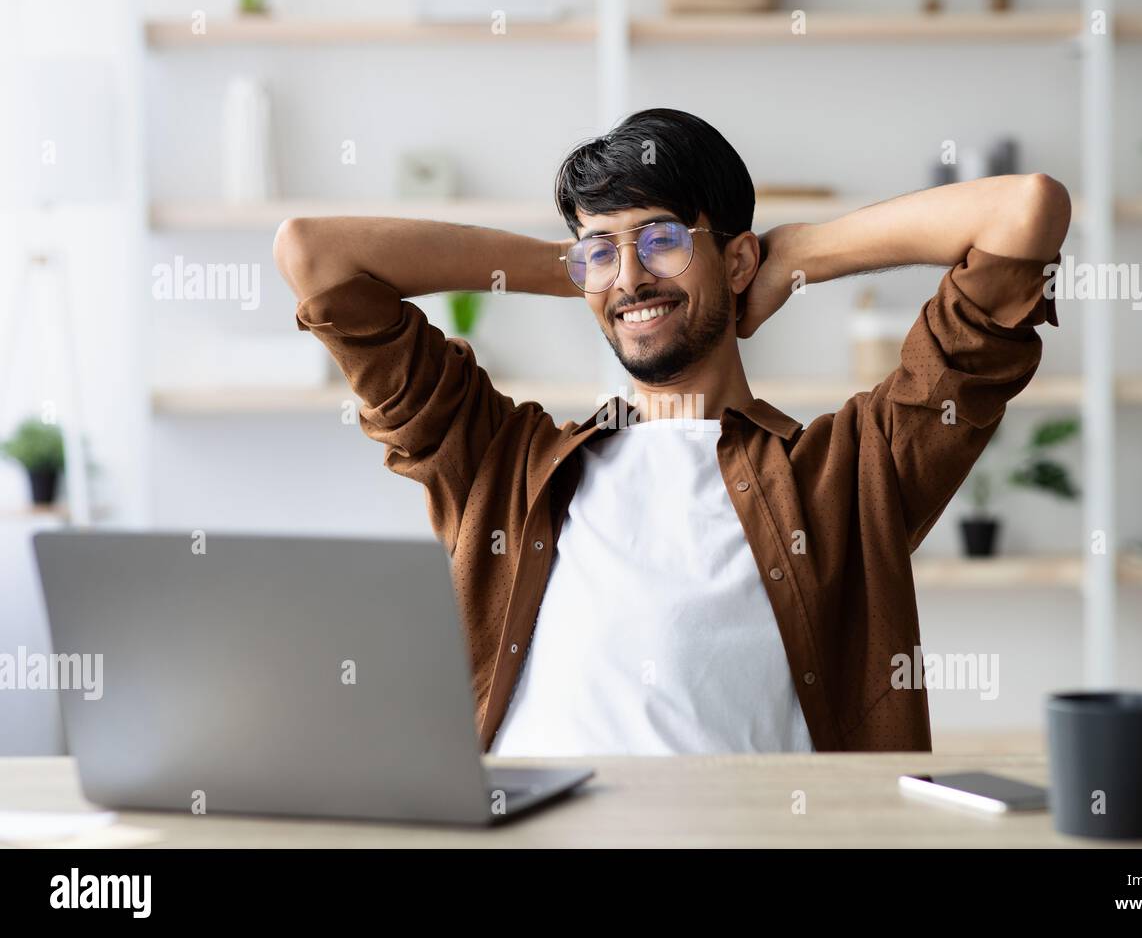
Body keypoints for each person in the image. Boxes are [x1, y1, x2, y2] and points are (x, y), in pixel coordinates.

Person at [274, 108, 1069, 755]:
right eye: (600, 253)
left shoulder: (848, 473)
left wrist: (798, 255)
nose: (630, 278)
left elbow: (1023, 212)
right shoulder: (501, 463)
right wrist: (575, 266)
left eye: (661, 239)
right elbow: (315, 256)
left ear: (734, 262)